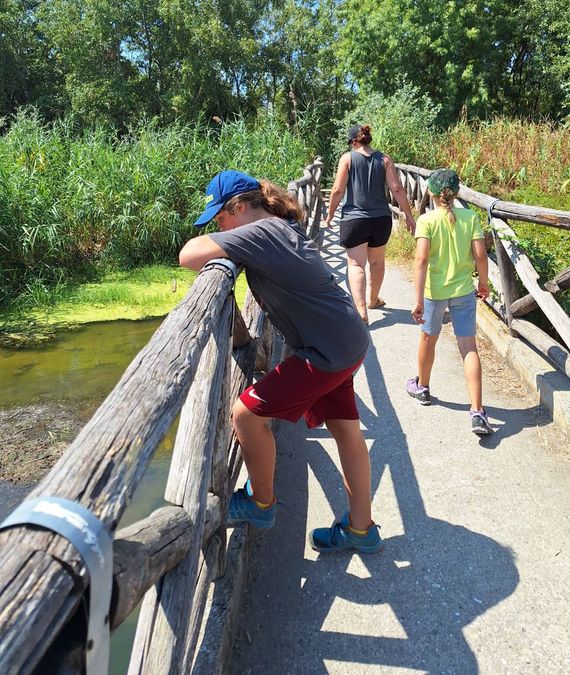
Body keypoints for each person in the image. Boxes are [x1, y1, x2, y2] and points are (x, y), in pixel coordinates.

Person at [179, 169, 383, 552]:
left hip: (325, 351)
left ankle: (261, 504)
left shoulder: (261, 233)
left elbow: (187, 255)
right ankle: (361, 529)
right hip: (346, 339)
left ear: (238, 207)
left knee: (245, 414)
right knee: (346, 431)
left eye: (220, 218)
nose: (220, 227)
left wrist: (224, 242)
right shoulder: (278, 227)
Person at [406, 168, 494, 436]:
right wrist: (483, 283)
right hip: (464, 290)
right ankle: (477, 410)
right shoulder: (470, 218)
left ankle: (422, 387)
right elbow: (481, 255)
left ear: (430, 192)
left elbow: (421, 261)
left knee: (428, 338)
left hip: (435, 292)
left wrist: (418, 298)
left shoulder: (427, 220)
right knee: (468, 346)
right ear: (456, 194)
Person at [326, 124, 416, 323]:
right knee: (376, 262)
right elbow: (397, 189)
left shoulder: (347, 158)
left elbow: (337, 190)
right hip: (381, 219)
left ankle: (361, 311)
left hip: (354, 219)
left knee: (356, 264)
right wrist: (408, 215)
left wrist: (330, 215)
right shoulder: (384, 159)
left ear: (354, 142)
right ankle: (373, 299)